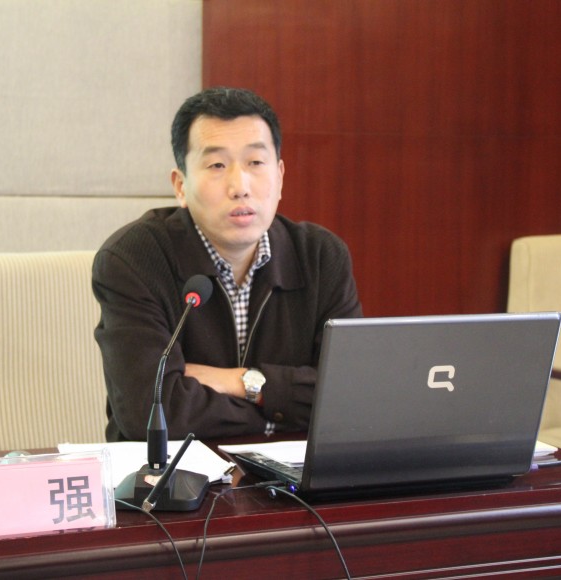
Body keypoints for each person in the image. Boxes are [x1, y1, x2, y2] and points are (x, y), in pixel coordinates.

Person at [93, 87, 362, 441]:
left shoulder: (320, 256)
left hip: (290, 473)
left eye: (256, 163)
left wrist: (242, 382)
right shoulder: (133, 259)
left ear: (280, 176)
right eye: (217, 165)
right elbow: (152, 409)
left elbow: (349, 397)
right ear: (180, 186)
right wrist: (280, 412)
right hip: (171, 474)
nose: (240, 186)